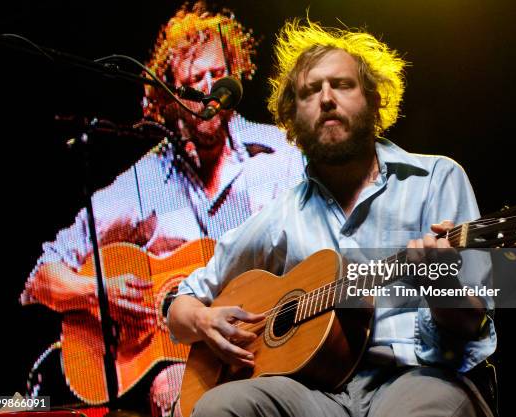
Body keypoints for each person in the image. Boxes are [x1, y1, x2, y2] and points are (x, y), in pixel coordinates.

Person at [168, 19, 497, 417]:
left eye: (342, 85)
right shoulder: (279, 216)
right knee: (219, 406)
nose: (326, 98)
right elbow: (180, 306)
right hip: (317, 394)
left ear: (375, 99)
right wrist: (203, 320)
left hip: (420, 376)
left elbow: (470, 327)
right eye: (310, 91)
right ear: (291, 118)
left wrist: (442, 280)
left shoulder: (436, 180)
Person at [19, 2, 305, 416]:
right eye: (193, 82)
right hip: (183, 364)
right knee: (176, 394)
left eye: (217, 76)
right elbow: (41, 276)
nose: (208, 90)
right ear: (168, 95)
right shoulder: (144, 181)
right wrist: (101, 292)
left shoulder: (282, 154)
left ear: (235, 77)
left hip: (268, 339)